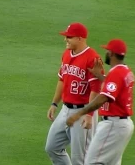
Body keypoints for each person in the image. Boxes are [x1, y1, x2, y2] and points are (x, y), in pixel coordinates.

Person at [66, 39, 135, 165]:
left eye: (107, 51)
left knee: (92, 162)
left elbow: (103, 97)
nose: (106, 53)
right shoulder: (126, 71)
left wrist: (79, 113)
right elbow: (115, 88)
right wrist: (100, 76)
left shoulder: (116, 72)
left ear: (111, 53)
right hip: (124, 124)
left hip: (114, 125)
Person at [44, 23, 103, 165]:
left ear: (80, 38)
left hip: (83, 111)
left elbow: (96, 89)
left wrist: (89, 115)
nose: (65, 40)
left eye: (69, 37)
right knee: (52, 148)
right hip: (65, 109)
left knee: (80, 159)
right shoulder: (66, 54)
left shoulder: (93, 58)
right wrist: (54, 103)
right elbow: (62, 80)